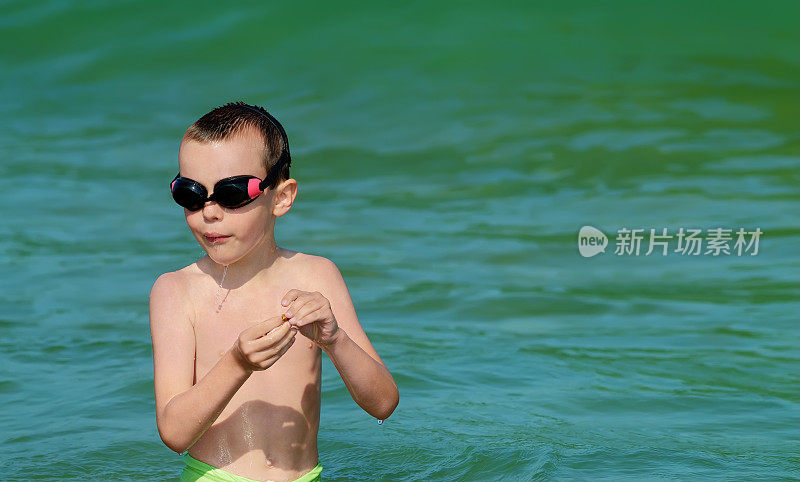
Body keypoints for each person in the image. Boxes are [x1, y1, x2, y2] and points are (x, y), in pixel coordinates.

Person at [148, 101, 399, 481]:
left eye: (231, 194)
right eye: (191, 194)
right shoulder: (176, 291)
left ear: (281, 197)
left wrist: (336, 341)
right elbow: (174, 432)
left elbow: (383, 403)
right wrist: (237, 363)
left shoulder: (318, 276)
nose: (210, 212)